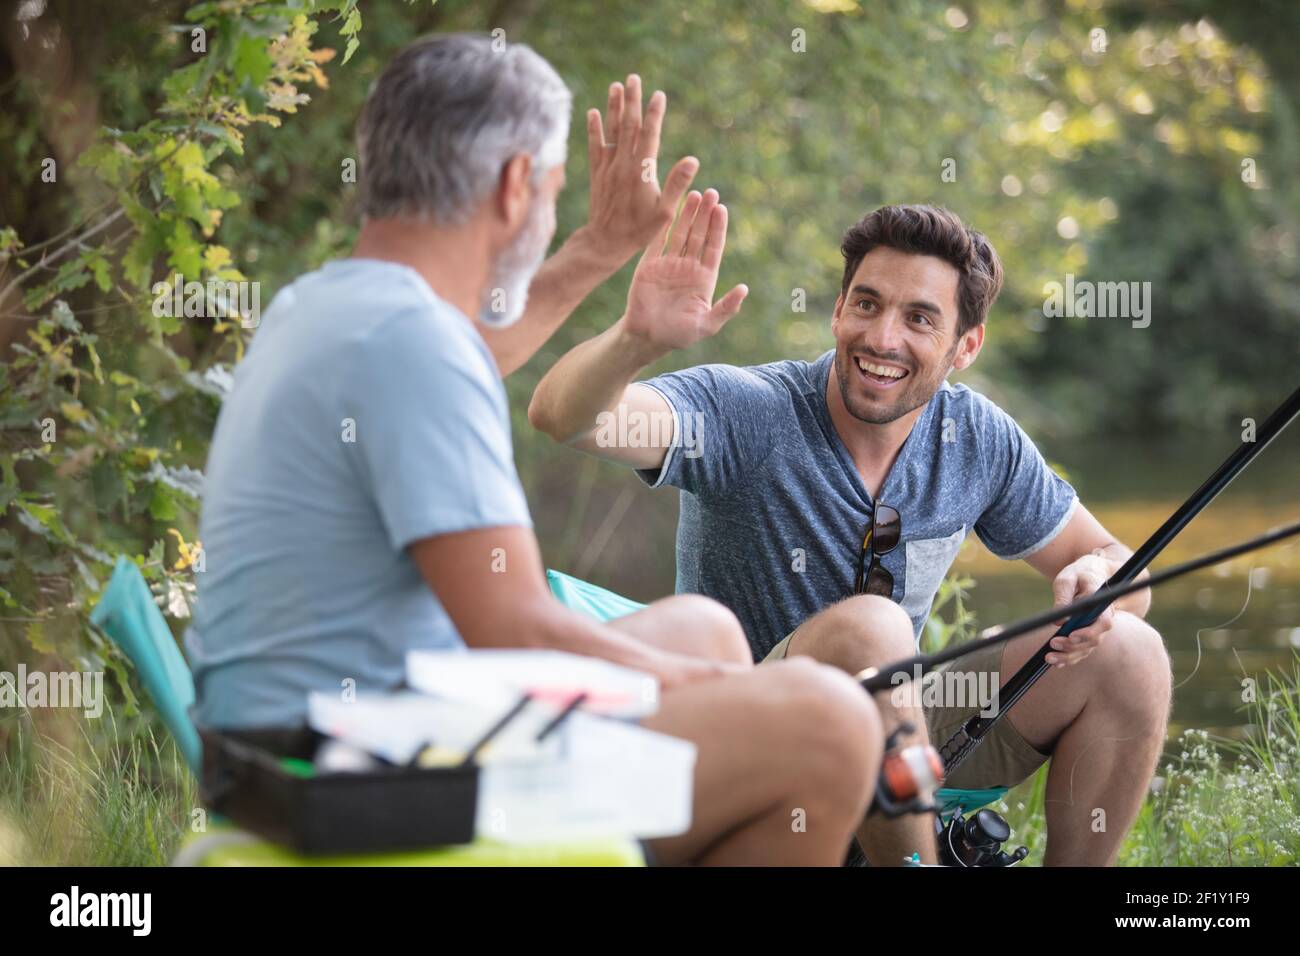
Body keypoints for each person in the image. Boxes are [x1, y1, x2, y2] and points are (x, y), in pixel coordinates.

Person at [187, 33, 884, 866]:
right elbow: (511, 627)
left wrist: (598, 248)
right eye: (554, 192)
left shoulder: (331, 309)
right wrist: (729, 694)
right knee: (828, 723)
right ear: (518, 184)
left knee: (701, 627)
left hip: (283, 748)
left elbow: (464, 359)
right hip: (356, 772)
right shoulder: (412, 346)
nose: (552, 210)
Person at [529, 200, 1172, 866]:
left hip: (901, 735)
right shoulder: (749, 412)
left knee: (1131, 652)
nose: (884, 338)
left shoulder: (977, 438)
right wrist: (637, 338)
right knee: (872, 629)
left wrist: (1102, 585)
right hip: (750, 738)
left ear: (966, 347)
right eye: (867, 305)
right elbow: (565, 418)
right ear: (838, 312)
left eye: (919, 318)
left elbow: (1115, 562)